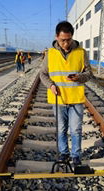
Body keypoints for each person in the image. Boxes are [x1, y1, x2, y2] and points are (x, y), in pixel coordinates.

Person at [39, 21, 93, 166]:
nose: (66, 43)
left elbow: (89, 74)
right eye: (63, 40)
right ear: (57, 37)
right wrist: (50, 85)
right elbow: (43, 75)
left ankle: (76, 155)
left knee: (75, 129)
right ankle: (64, 153)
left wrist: (79, 77)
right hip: (58, 99)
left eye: (69, 39)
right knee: (61, 129)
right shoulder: (50, 54)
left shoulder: (81, 53)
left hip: (76, 99)